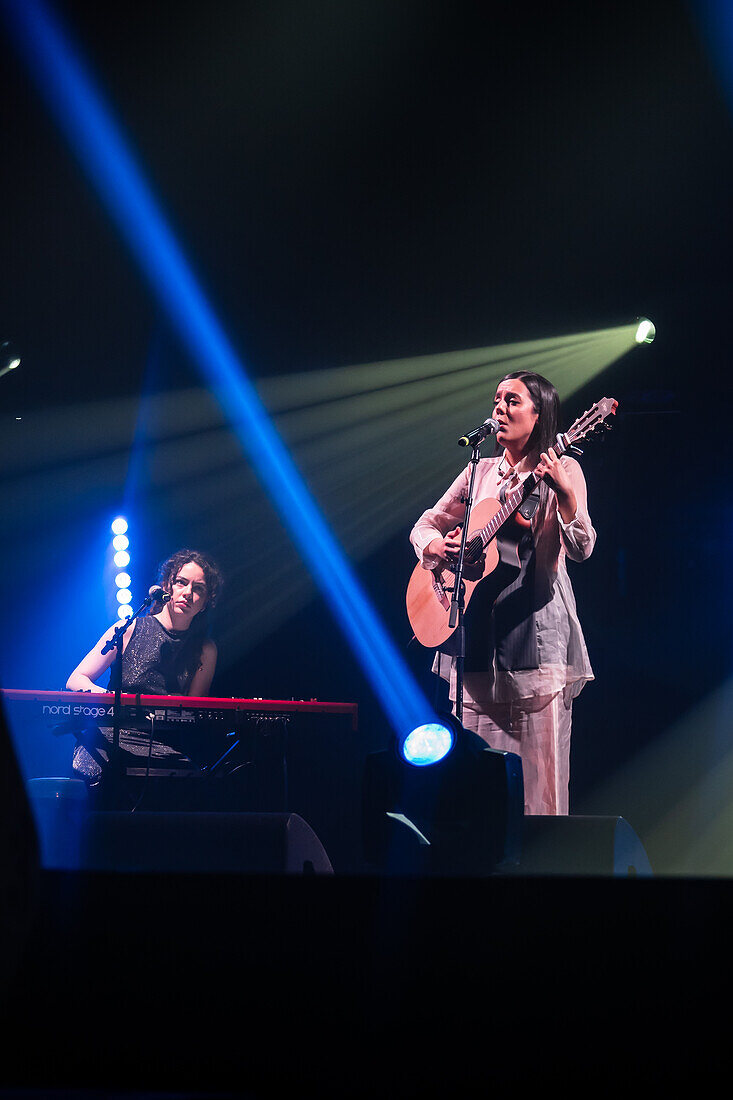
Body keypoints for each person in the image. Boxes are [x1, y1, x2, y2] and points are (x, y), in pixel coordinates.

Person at [410, 371, 595, 815]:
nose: (500, 408)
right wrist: (438, 547)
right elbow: (426, 523)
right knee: (478, 798)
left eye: (513, 400)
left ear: (540, 413)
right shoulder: (480, 471)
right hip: (475, 651)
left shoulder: (562, 468)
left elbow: (583, 547)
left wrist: (566, 498)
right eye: (497, 399)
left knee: (538, 796)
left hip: (535, 648)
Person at [66, 548, 223, 793]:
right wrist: (115, 702)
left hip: (160, 744)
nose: (188, 593)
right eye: (181, 583)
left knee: (195, 788)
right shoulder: (128, 629)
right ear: (167, 586)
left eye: (198, 588)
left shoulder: (205, 649)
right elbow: (76, 679)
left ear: (205, 603)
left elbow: (193, 710)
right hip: (109, 736)